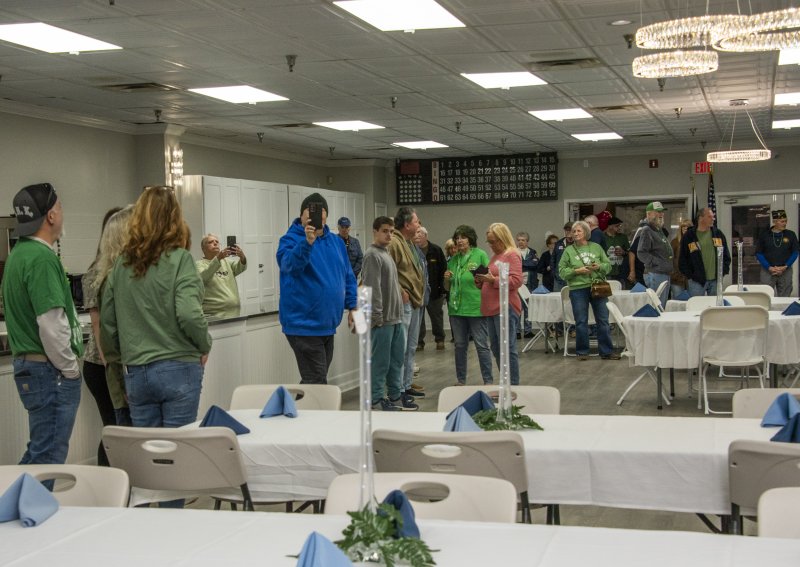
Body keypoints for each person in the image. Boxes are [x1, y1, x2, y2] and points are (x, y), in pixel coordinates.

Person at [101, 186, 211, 433]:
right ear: (175, 218)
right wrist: (204, 344)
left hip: (137, 371)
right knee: (178, 450)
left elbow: (108, 325)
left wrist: (120, 366)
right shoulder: (181, 259)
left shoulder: (120, 265)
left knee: (148, 452)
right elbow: (188, 313)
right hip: (179, 367)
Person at [4, 183, 83, 467]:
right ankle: (22, 511)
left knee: (40, 452)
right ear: (50, 216)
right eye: (60, 208)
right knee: (48, 456)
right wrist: (71, 370)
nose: (62, 214)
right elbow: (51, 324)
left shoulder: (18, 255)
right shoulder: (41, 258)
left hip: (31, 367)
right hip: (50, 371)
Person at [276, 193, 357, 384]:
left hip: (328, 324)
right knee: (317, 380)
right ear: (302, 215)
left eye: (321, 210)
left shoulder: (336, 242)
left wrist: (353, 306)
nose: (316, 214)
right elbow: (289, 266)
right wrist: (307, 243)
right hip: (303, 325)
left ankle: (292, 410)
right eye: (311, 210)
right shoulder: (289, 240)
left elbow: (348, 276)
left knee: (314, 381)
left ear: (326, 215)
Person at [82, 206, 122, 466]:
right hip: (101, 365)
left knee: (118, 430)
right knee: (114, 430)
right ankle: (110, 486)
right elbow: (98, 326)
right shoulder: (97, 272)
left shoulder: (120, 268)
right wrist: (113, 368)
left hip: (113, 364)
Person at [93, 206, 135, 427]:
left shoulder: (125, 277)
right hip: (126, 381)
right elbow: (109, 338)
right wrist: (125, 383)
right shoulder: (112, 281)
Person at [362, 217, 409, 411]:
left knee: (396, 360)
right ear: (375, 231)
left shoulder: (386, 253)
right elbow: (373, 289)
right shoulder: (372, 255)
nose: (388, 234)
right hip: (383, 321)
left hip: (395, 317)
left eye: (391, 231)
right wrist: (377, 318)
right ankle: (375, 399)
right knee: (380, 362)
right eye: (384, 231)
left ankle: (395, 395)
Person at [558, 220, 620, 361]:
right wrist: (576, 271)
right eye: (574, 231)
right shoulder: (568, 251)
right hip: (577, 289)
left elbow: (608, 266)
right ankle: (582, 352)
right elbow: (562, 272)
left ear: (586, 232)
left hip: (598, 286)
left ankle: (606, 351)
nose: (575, 233)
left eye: (579, 231)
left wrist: (598, 267)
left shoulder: (596, 247)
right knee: (581, 321)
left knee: (603, 320)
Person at [443, 225, 493, 385]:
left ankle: (488, 380)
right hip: (456, 309)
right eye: (457, 238)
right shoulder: (454, 260)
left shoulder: (480, 255)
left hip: (476, 307)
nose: (459, 241)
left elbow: (490, 276)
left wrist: (482, 276)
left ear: (470, 239)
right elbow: (447, 287)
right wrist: (446, 278)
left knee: (481, 345)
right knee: (459, 346)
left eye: (463, 237)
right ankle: (461, 380)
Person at [386, 207, 424, 407]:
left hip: (415, 302)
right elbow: (388, 269)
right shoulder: (394, 242)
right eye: (416, 221)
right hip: (404, 303)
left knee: (410, 347)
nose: (419, 224)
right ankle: (397, 390)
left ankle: (406, 384)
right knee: (399, 350)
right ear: (407, 224)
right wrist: (401, 290)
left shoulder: (408, 243)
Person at [477, 223, 523, 385]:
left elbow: (517, 281)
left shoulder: (511, 255)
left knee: (507, 349)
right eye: (489, 241)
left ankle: (513, 385)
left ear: (503, 239)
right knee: (496, 349)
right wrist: (482, 281)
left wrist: (492, 280)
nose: (491, 245)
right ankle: (506, 382)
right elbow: (492, 278)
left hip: (505, 307)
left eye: (493, 241)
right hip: (491, 308)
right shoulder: (495, 256)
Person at [679, 207, 731, 297]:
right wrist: (690, 275)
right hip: (696, 281)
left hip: (716, 279)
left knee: (715, 307)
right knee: (696, 306)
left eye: (713, 217)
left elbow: (726, 255)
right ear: (701, 218)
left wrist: (723, 271)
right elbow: (682, 259)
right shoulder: (689, 236)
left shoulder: (718, 234)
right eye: (710, 217)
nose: (713, 219)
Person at [196, 233, 247, 318]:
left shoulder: (226, 262)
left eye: (217, 241)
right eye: (210, 242)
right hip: (214, 314)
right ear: (203, 248)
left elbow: (240, 268)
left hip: (234, 312)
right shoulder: (198, 264)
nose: (215, 243)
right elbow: (203, 277)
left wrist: (242, 257)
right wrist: (218, 258)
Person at [636, 202, 673, 307]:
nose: (661, 214)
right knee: (657, 307)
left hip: (663, 273)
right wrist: (657, 263)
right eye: (657, 212)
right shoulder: (646, 230)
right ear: (648, 214)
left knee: (662, 306)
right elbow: (641, 253)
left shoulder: (658, 230)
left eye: (662, 212)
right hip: (655, 274)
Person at [416, 227, 447, 351]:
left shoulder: (436, 250)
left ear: (426, 236)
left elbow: (443, 269)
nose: (417, 236)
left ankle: (440, 339)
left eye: (420, 233)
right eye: (416, 233)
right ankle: (419, 341)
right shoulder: (413, 250)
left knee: (436, 317)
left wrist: (442, 289)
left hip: (435, 291)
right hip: (418, 291)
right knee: (419, 319)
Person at [755, 209, 799, 297]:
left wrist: (785, 266)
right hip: (767, 270)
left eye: (786, 221)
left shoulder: (790, 234)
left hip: (785, 270)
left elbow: (795, 252)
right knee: (765, 295)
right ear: (775, 221)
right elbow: (759, 253)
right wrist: (769, 267)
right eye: (782, 221)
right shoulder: (764, 235)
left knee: (785, 296)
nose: (785, 223)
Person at [515, 231, 538, 337]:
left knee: (528, 307)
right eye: (519, 240)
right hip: (517, 284)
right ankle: (517, 331)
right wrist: (528, 264)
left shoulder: (533, 252)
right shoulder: (513, 252)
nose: (521, 242)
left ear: (527, 241)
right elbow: (514, 265)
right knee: (517, 308)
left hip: (530, 283)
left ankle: (528, 330)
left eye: (523, 240)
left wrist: (522, 264)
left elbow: (535, 264)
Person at [604, 217, 630, 288]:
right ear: (610, 226)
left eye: (620, 226)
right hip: (607, 272)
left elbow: (630, 253)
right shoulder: (602, 237)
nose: (619, 228)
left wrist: (623, 252)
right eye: (617, 226)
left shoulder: (623, 237)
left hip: (621, 271)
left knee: (622, 291)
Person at [670, 219, 692, 299]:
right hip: (677, 278)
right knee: (678, 302)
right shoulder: (675, 242)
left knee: (691, 302)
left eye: (688, 227)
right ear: (680, 229)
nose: (685, 229)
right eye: (683, 227)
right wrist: (674, 274)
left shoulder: (694, 242)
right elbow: (670, 260)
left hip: (691, 279)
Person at [552, 222, 574, 291]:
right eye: (566, 230)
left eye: (570, 230)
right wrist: (555, 273)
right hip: (559, 279)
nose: (568, 232)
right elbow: (553, 259)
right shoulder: (559, 243)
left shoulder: (578, 243)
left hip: (573, 278)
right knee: (557, 298)